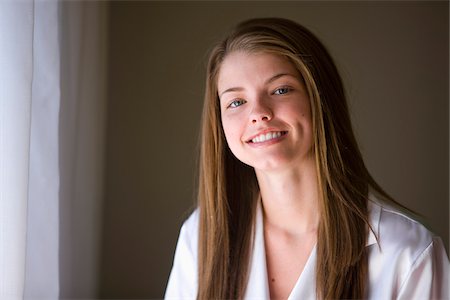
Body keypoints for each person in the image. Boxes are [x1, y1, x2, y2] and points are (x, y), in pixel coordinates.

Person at [165, 17, 449, 299]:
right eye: (236, 101)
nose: (258, 112)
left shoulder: (407, 252)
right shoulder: (200, 236)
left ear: (320, 99)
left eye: (280, 89)